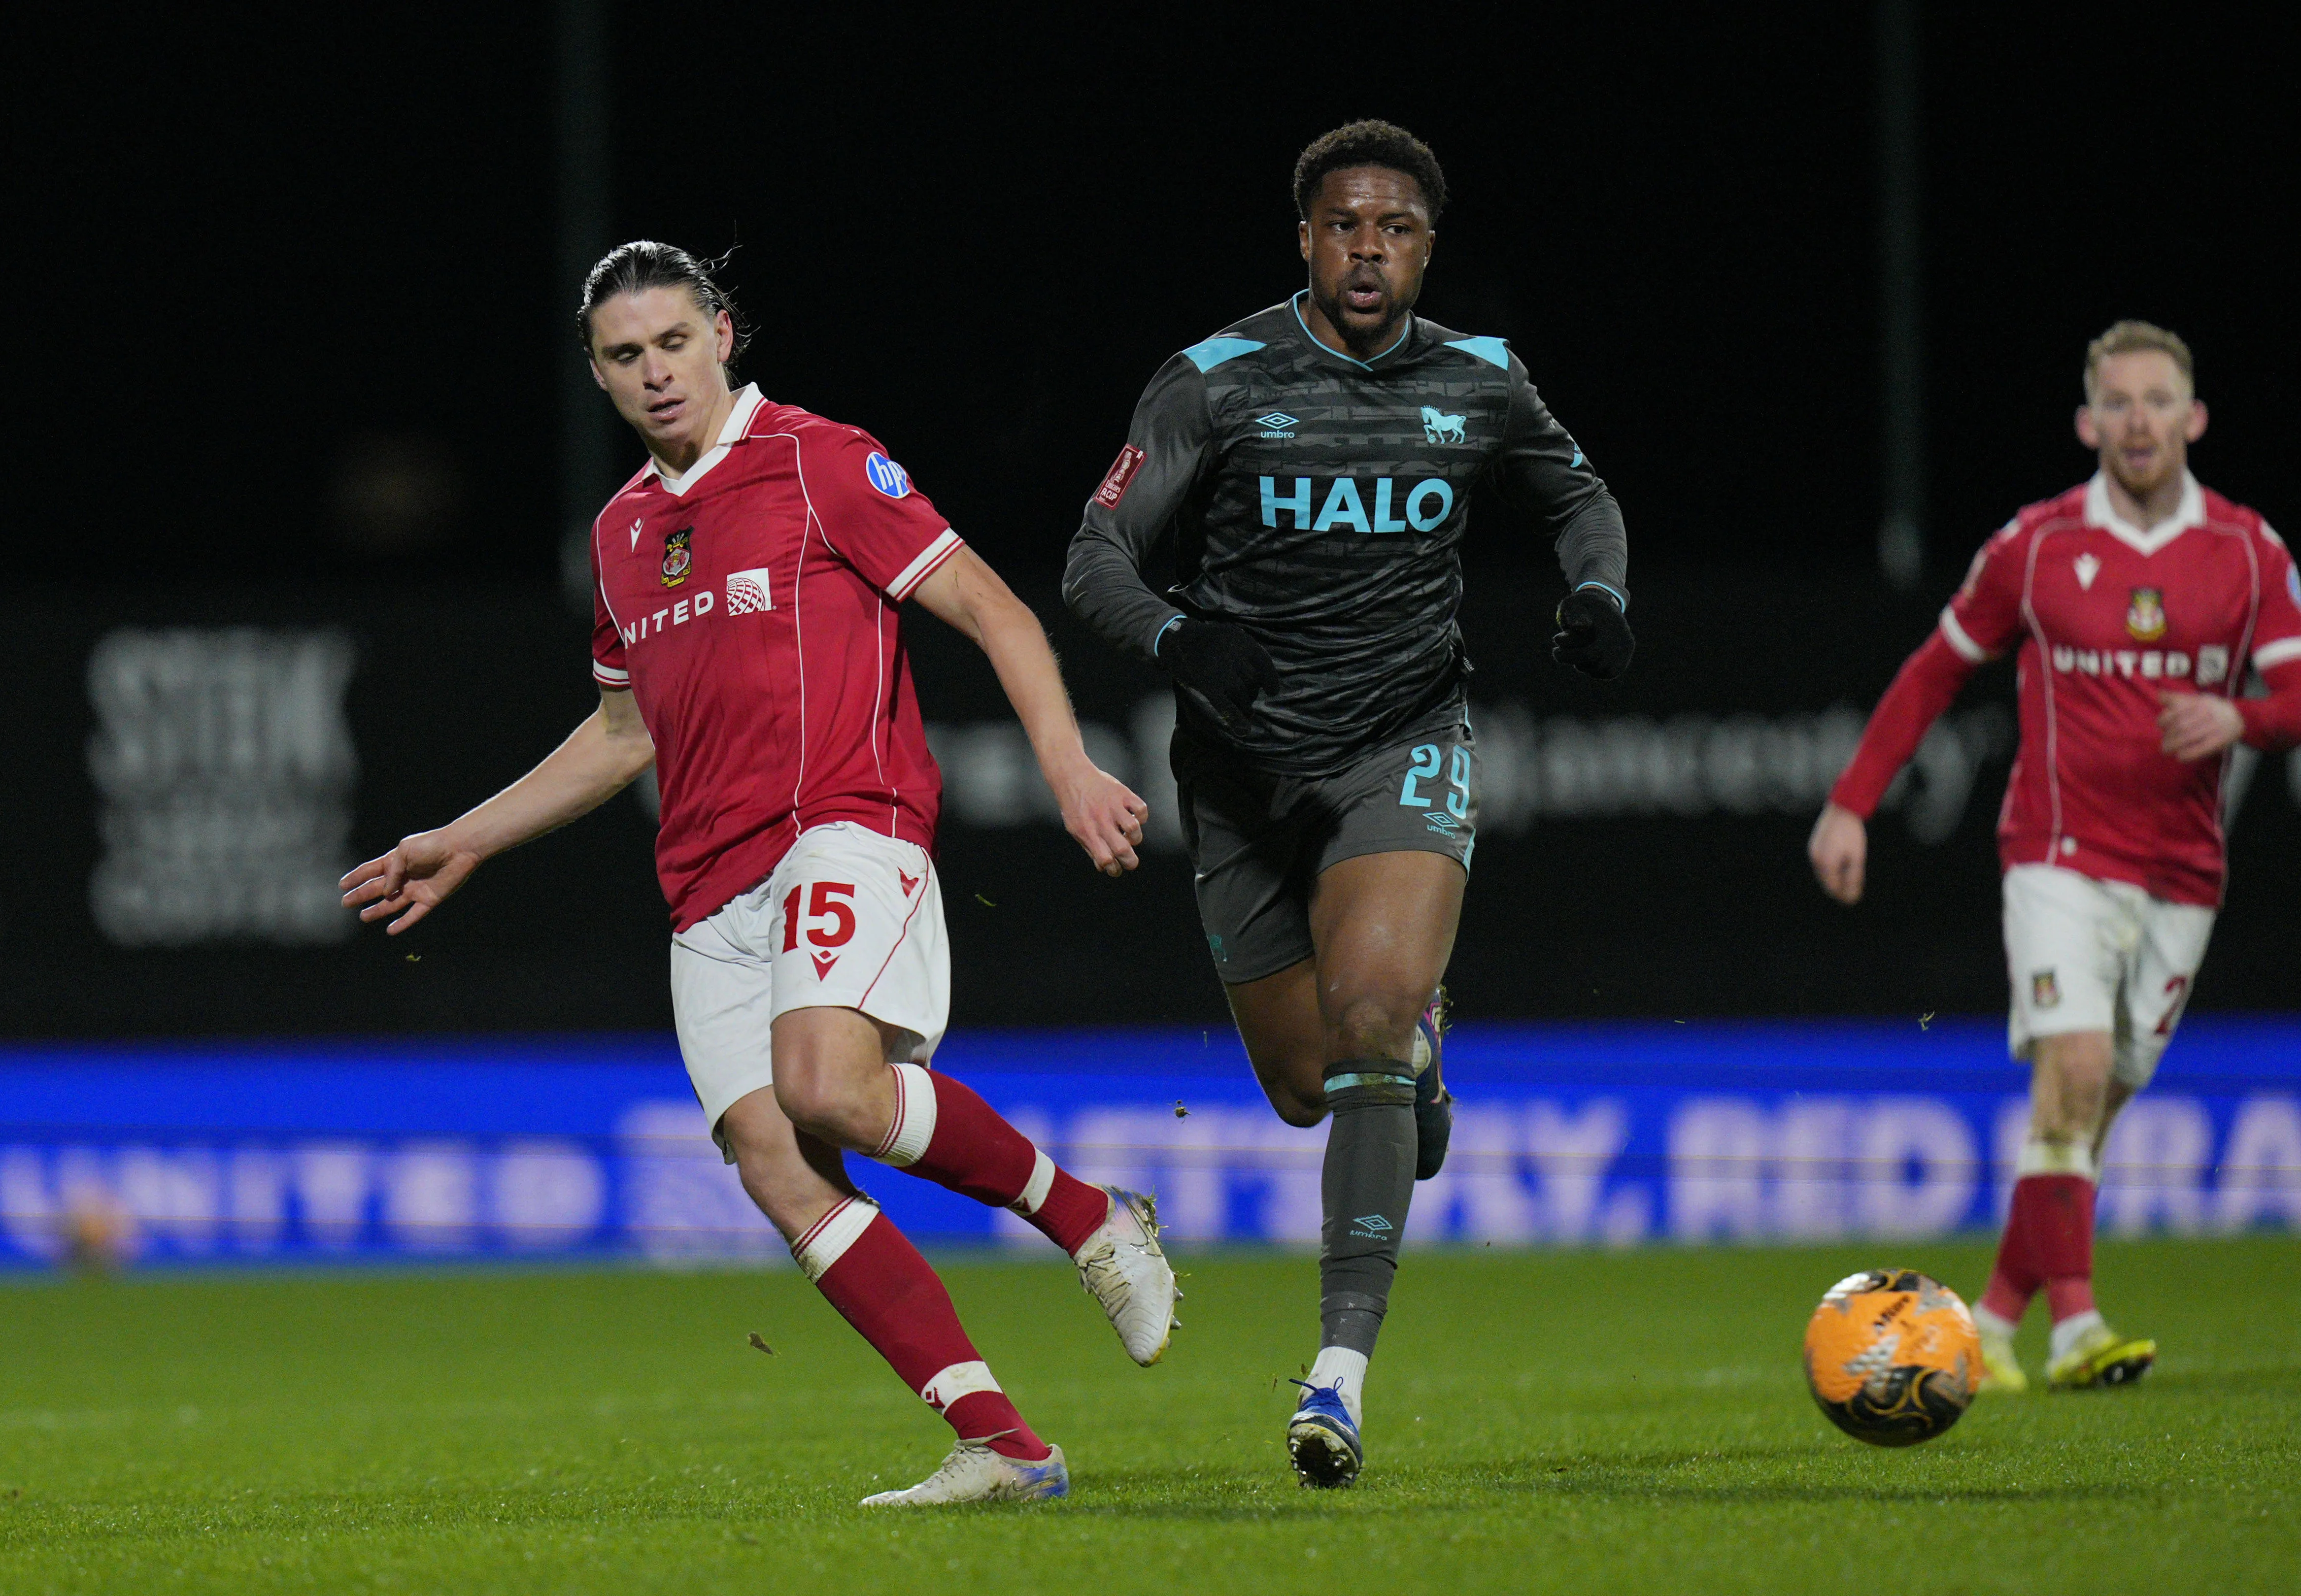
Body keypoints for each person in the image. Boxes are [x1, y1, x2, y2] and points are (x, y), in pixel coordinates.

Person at [341, 242, 1180, 1506]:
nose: (654, 372)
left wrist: (1065, 766)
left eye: (673, 342)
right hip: (705, 890)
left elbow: (998, 612)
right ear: (598, 374)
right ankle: (1002, 1446)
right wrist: (467, 836)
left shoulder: (822, 460)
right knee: (782, 1168)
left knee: (828, 1091)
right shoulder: (624, 531)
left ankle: (1088, 1218)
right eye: (625, 357)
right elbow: (626, 734)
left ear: (723, 334)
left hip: (845, 823)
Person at [1062, 121, 1631, 1486]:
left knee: (1370, 1010)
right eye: (1340, 226)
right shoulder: (1213, 380)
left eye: (1393, 229)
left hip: (1401, 742)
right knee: (1309, 1084)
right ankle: (1415, 1063)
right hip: (1238, 775)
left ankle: (1336, 1373)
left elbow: (1581, 502)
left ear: (1426, 248)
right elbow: (1094, 557)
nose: (1365, 249)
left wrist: (1597, 593)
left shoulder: (1483, 382)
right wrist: (1177, 638)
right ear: (1302, 239)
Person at [1809, 320, 2301, 1393]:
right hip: (2056, 851)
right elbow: (1933, 672)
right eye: (2118, 403)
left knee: (2087, 1108)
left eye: (2158, 401)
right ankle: (2078, 1331)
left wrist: (2240, 720)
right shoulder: (2037, 546)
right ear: (2088, 422)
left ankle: (1993, 1324)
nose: (2138, 421)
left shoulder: (2248, 551)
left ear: (2194, 418)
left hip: (2184, 871)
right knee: (2076, 1071)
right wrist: (1851, 804)